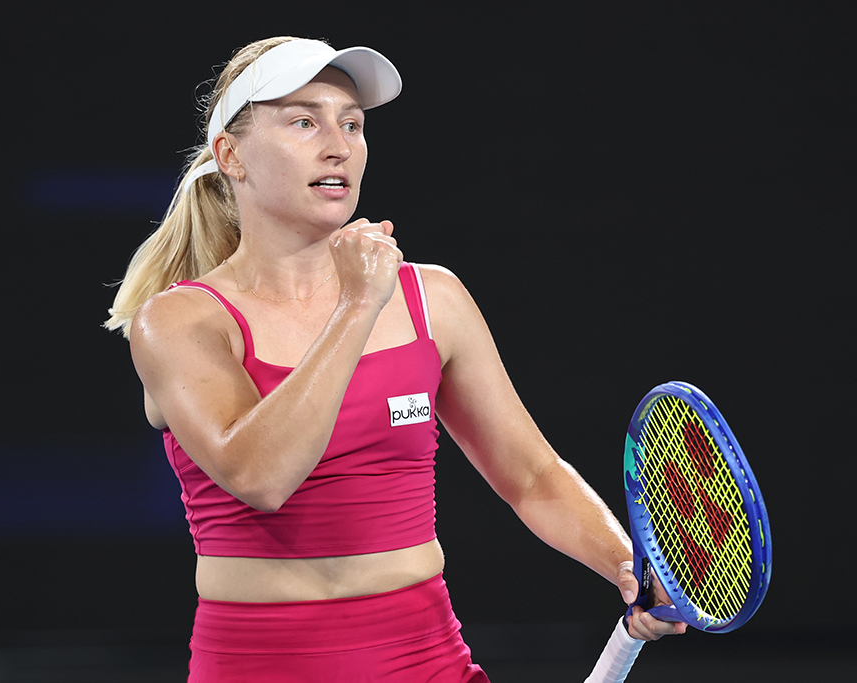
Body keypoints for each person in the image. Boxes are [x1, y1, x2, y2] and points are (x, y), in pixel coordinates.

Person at [105, 36, 684, 682]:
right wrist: (357, 306)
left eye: (351, 124)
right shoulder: (177, 322)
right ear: (230, 156)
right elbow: (261, 476)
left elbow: (532, 475)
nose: (338, 144)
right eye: (303, 120)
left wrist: (628, 564)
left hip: (427, 665)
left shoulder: (432, 299)